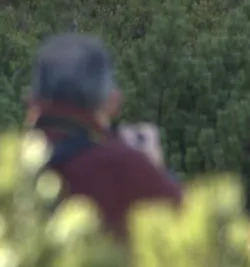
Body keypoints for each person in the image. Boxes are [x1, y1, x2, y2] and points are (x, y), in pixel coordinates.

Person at [25, 33, 183, 240]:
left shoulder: (3, 174)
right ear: (113, 102)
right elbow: (192, 237)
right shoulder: (125, 169)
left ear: (31, 101)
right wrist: (154, 168)